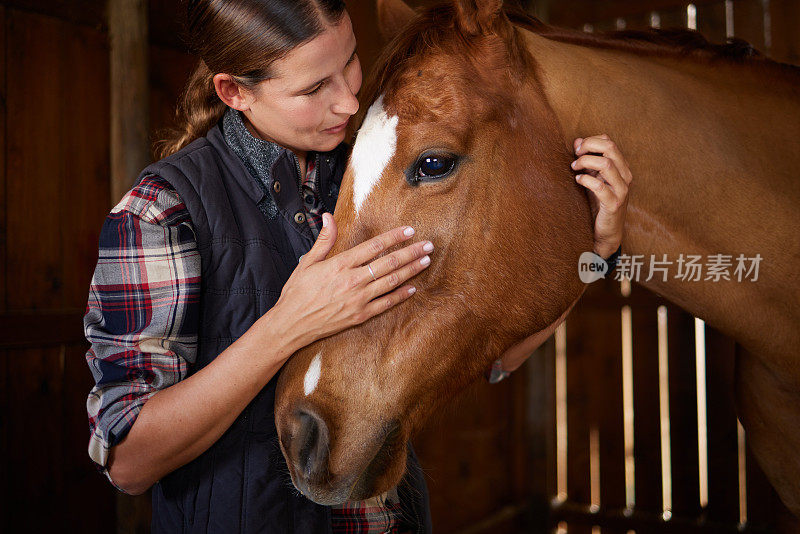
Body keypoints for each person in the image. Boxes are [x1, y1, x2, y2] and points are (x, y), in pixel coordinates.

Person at [83, 1, 633, 532]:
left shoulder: (375, 169)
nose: (348, 101)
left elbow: (494, 357)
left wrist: (595, 256)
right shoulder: (160, 211)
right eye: (313, 87)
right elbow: (130, 462)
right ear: (234, 92)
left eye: (348, 61)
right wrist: (286, 325)